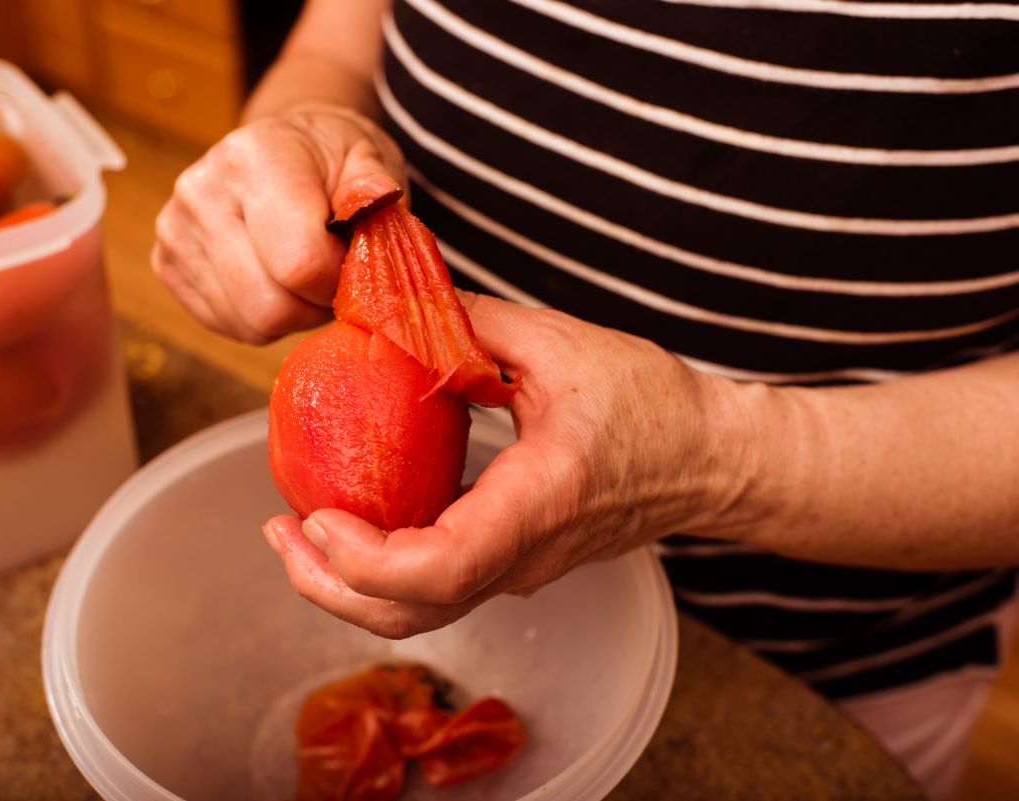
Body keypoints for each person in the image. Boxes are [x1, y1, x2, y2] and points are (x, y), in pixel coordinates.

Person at [152, 1, 1019, 798]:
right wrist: (311, 121)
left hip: (824, 666)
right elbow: (341, 34)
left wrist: (722, 457)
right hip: (461, 612)